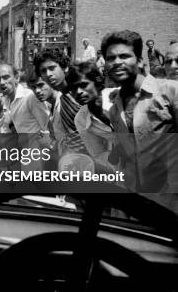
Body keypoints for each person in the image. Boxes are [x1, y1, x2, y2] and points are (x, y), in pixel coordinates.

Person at [102, 30, 178, 212]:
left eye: (124, 56)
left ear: (140, 61)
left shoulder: (170, 90)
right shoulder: (114, 108)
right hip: (133, 204)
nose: (117, 62)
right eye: (111, 58)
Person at [34, 48, 88, 157]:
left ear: (65, 67)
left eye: (52, 68)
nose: (48, 74)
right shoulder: (62, 98)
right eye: (43, 71)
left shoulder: (81, 91)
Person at [66, 61, 117, 174]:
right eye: (73, 89)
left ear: (97, 82)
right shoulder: (81, 119)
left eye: (83, 85)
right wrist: (115, 155)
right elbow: (98, 154)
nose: (78, 92)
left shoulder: (119, 99)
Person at [0, 63, 49, 171]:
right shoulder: (6, 101)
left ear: (16, 78)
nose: (1, 82)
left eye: (6, 77)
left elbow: (47, 126)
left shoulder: (30, 97)